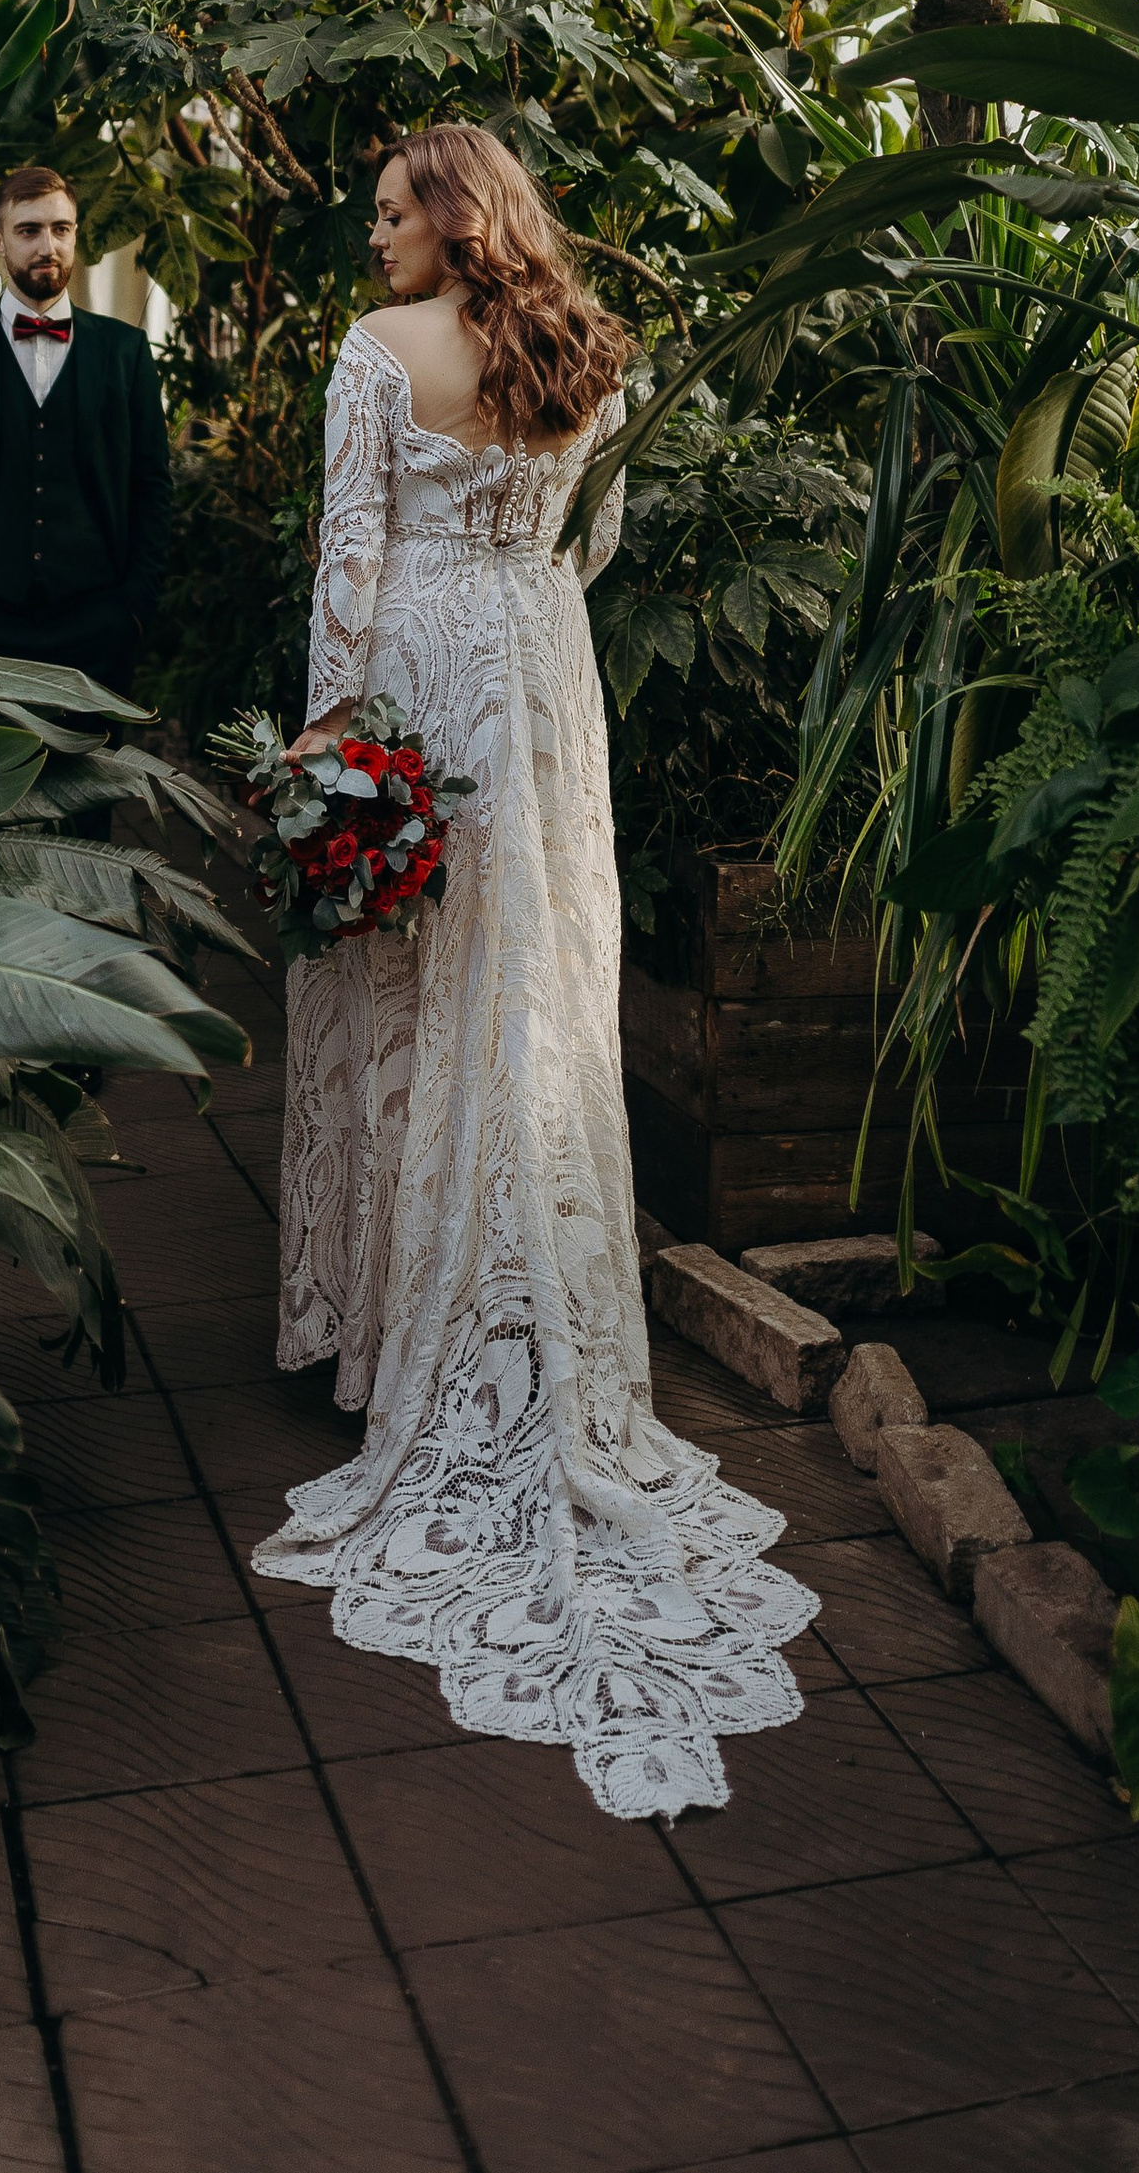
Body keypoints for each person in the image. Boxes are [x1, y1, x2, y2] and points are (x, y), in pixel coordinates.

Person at [258, 124, 818, 1820]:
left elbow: (346, 568)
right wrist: (515, 609)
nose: (370, 242)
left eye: (384, 211)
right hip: (544, 680)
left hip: (421, 672)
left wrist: (329, 754)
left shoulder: (376, 357)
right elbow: (595, 544)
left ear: (448, 215)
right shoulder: (591, 351)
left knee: (407, 992)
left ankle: (384, 1348)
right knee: (537, 996)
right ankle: (534, 1312)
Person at [0, 163, 171, 697]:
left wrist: (134, 610)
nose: (46, 245)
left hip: (96, 625)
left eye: (61, 229)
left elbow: (152, 487)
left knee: (95, 781)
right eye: (28, 231)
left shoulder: (125, 353)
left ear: (76, 235)